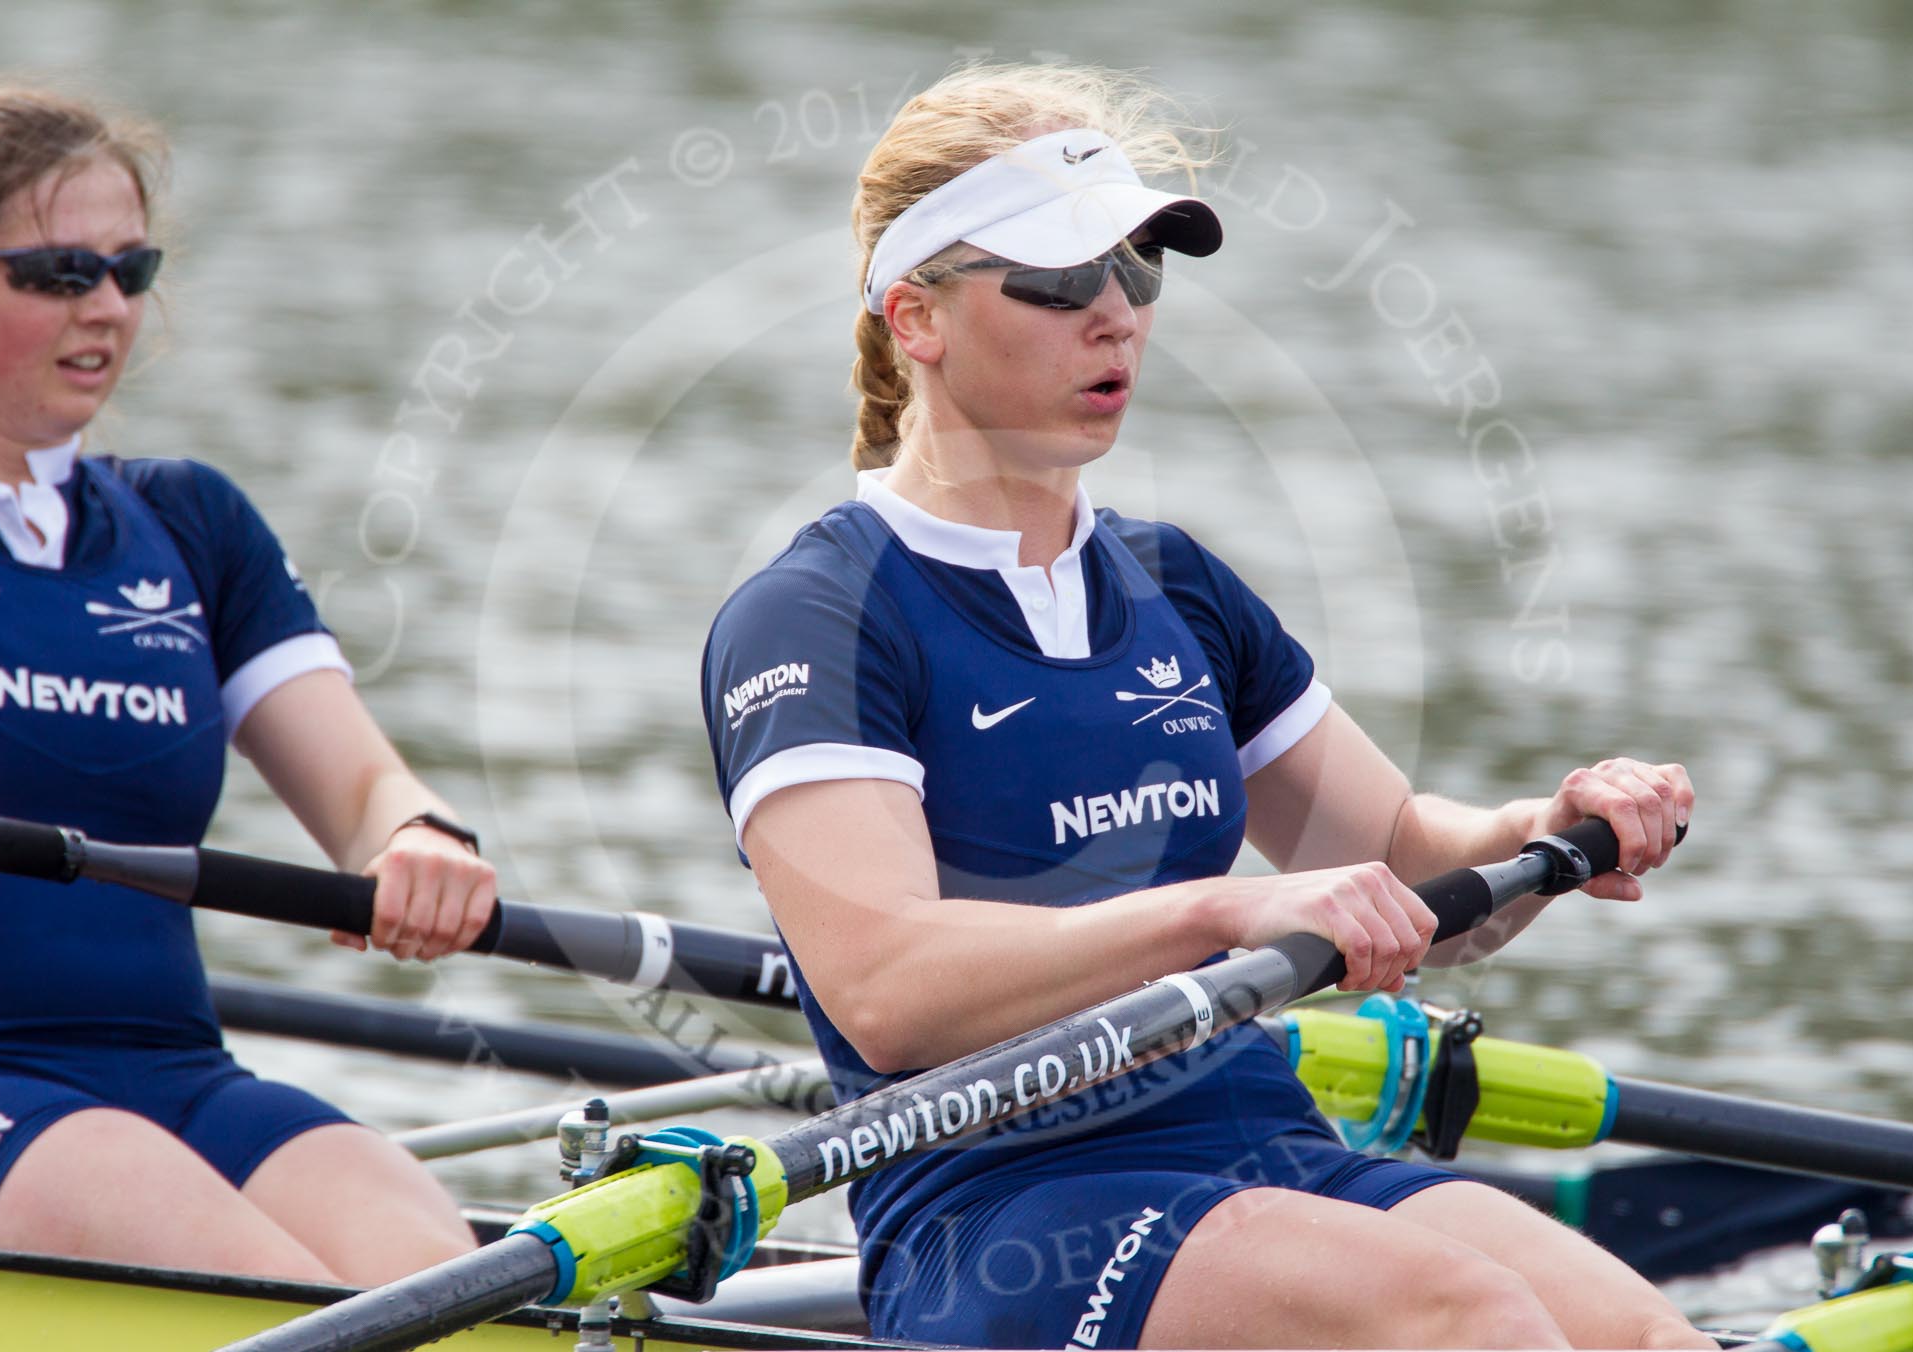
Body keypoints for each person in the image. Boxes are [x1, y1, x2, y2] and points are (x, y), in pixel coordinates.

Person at [703, 64, 1712, 1350]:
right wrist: (1231, 907)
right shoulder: (816, 617)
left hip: (1271, 1144)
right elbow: (889, 987)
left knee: (1650, 1341)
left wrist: (1544, 827)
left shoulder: (1174, 583)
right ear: (917, 317)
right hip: (1009, 1208)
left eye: (1139, 269)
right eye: (1062, 279)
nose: (1117, 315)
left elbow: (1400, 862)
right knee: (1468, 1319)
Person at [0, 78, 495, 1284]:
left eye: (128, 272)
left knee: (444, 1287)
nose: (105, 309)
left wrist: (414, 840)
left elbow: (360, 787)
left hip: (179, 1072)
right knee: (295, 1300)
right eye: (55, 274)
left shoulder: (190, 524)